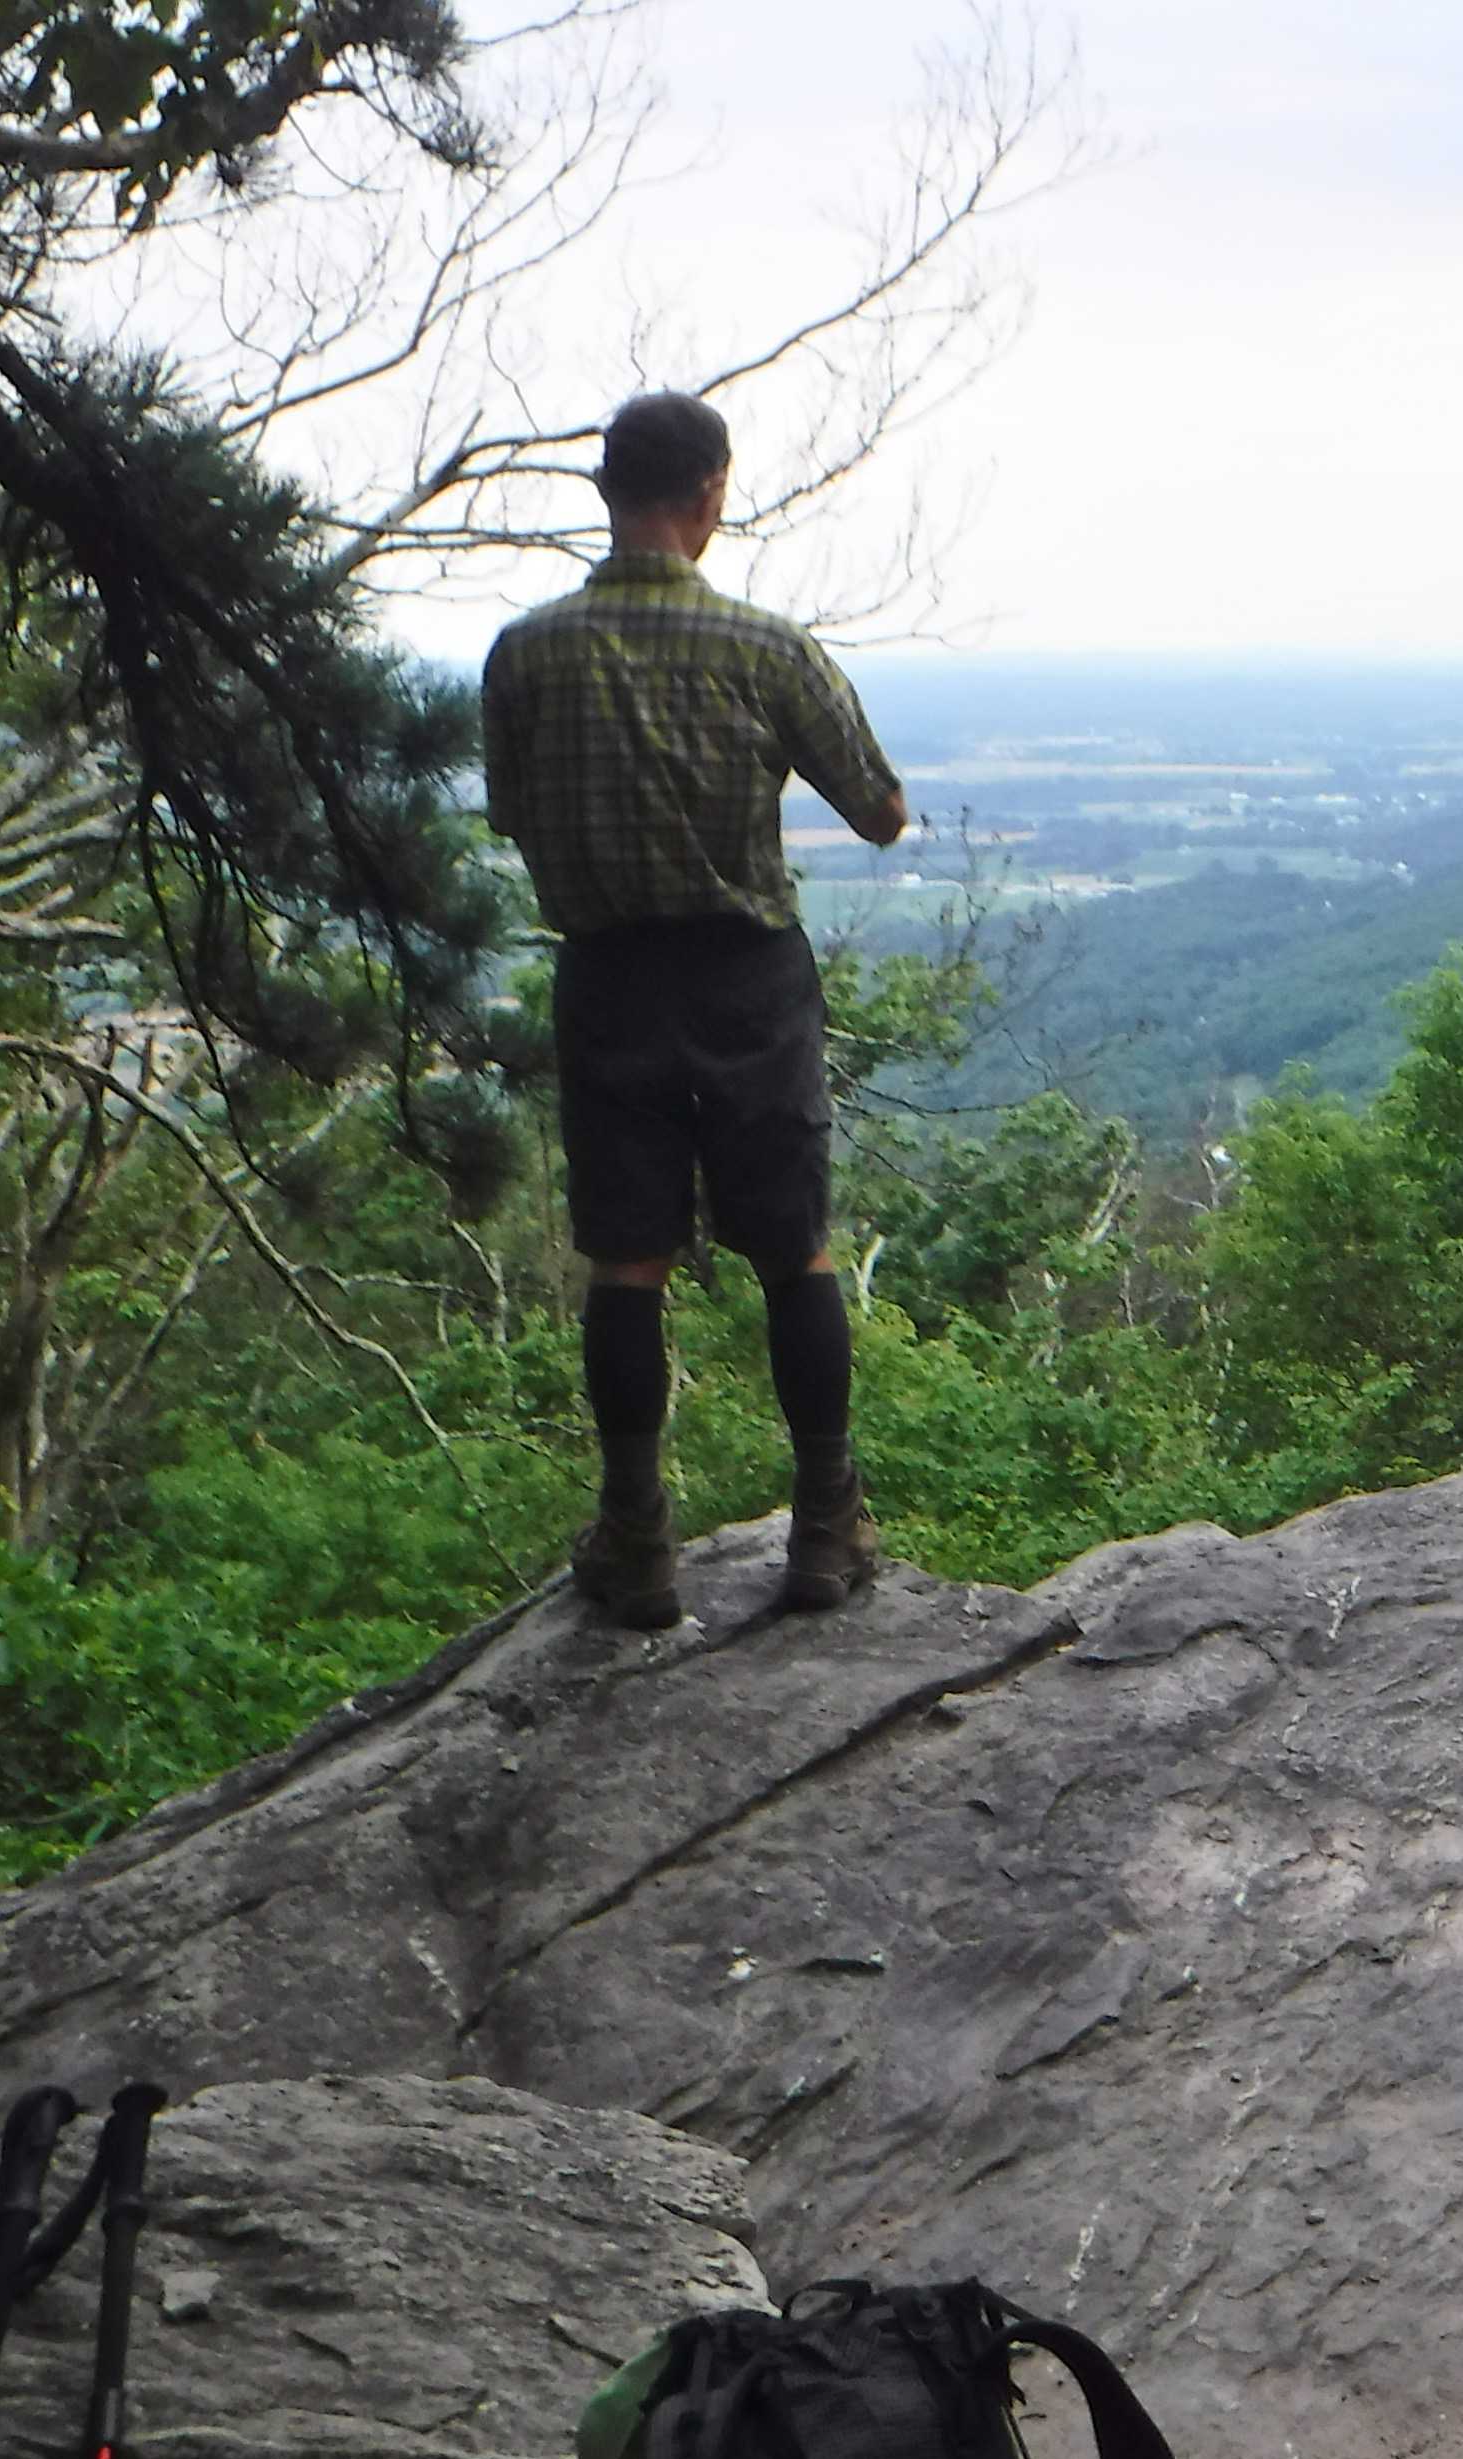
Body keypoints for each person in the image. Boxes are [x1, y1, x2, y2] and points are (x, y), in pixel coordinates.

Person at [482, 392, 911, 1627]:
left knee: (627, 1261)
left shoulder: (526, 652)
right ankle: (825, 1529)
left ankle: (638, 1543)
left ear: (609, 491)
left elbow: (513, 814)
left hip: (608, 974)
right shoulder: (768, 649)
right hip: (746, 978)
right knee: (795, 1253)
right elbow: (880, 812)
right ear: (713, 491)